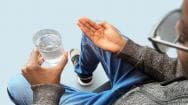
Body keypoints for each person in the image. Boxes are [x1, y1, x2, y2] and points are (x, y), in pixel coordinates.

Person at [7, 0, 188, 105]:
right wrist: (126, 48)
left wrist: (45, 92)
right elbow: (179, 70)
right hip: (148, 85)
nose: (176, 29)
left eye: (183, 36)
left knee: (18, 84)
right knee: (92, 37)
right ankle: (83, 73)